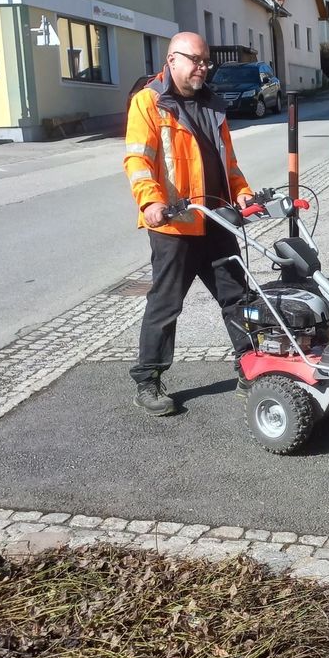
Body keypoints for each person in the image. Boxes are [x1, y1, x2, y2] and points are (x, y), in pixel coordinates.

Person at [124, 32, 253, 416]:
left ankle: (250, 367)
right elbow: (137, 160)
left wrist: (242, 191)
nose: (202, 68)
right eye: (196, 60)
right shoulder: (149, 102)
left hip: (215, 218)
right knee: (165, 305)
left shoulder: (213, 103)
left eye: (205, 61)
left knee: (237, 298)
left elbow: (227, 159)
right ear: (172, 60)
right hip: (174, 225)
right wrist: (150, 201)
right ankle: (148, 380)